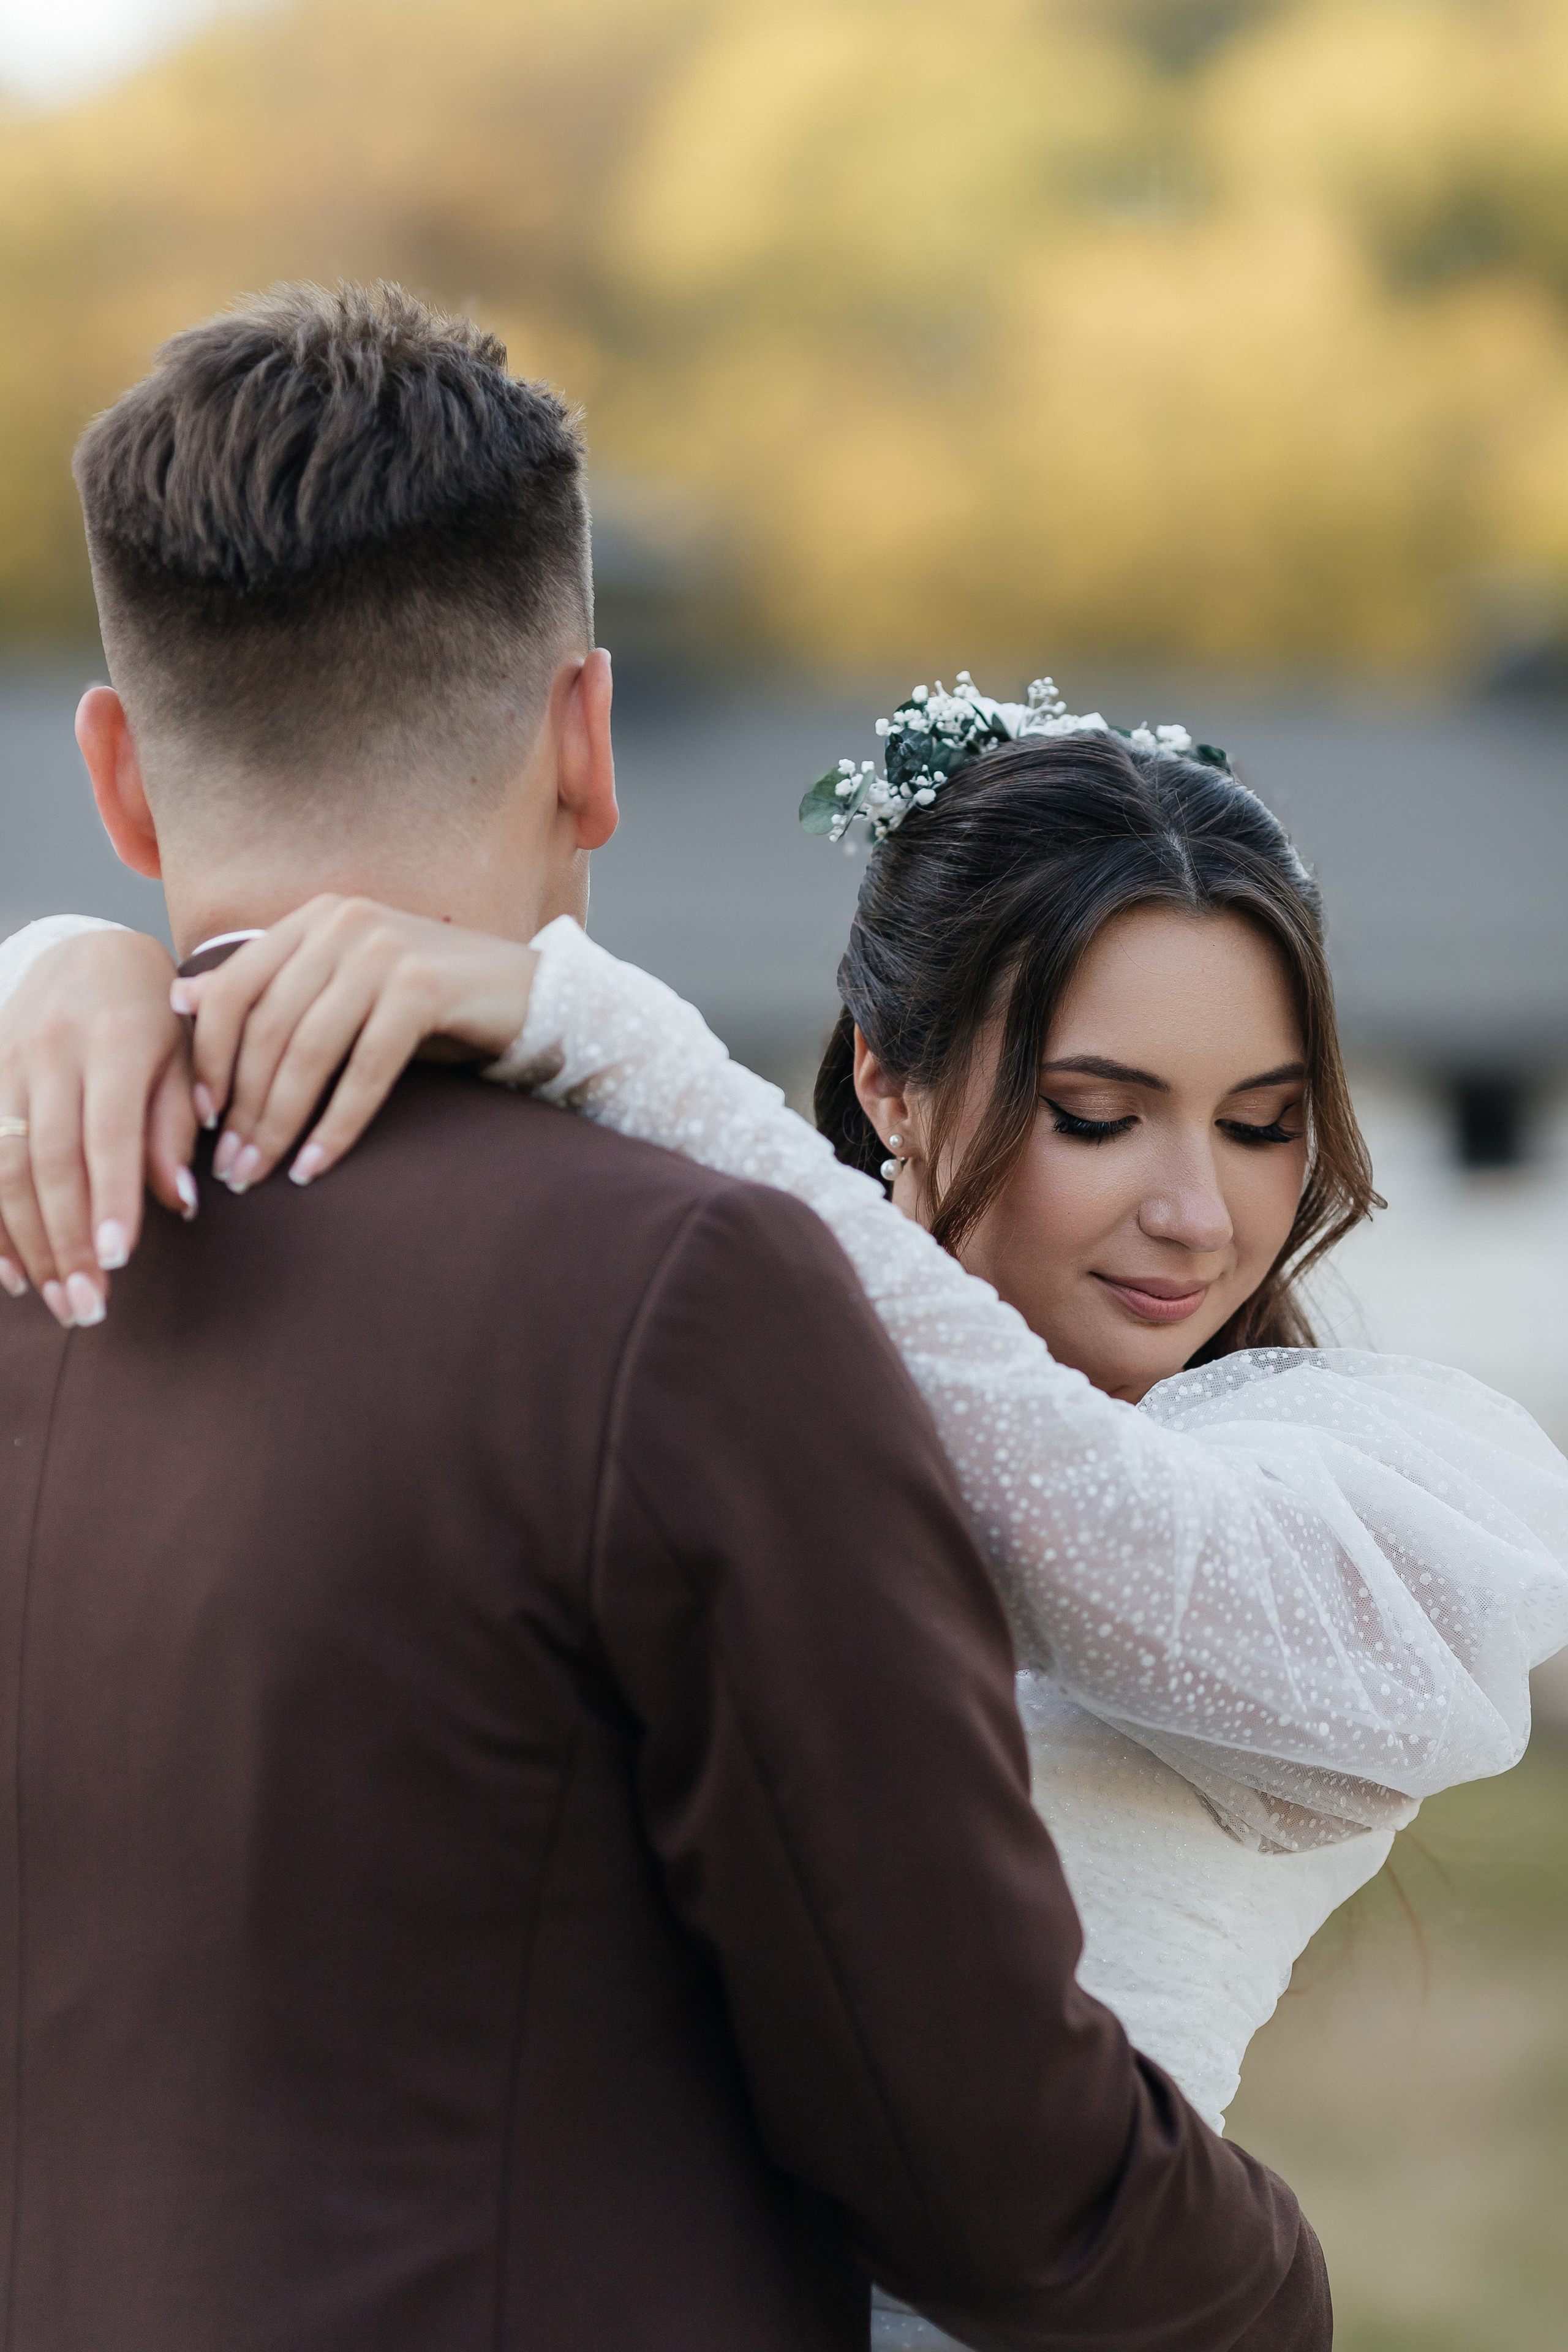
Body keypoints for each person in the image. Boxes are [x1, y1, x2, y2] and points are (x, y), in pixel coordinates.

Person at [0, 281, 1334, 2351]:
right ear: (587, 743)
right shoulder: (678, 1295)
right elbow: (973, 2136)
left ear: (116, 774)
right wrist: (1271, 2292)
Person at [9, 670, 1568, 2140]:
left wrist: (609, 1035)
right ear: (887, 1083)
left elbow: (1095, 1521)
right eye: (1095, 1117)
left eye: (1260, 1127)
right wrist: (69, 971)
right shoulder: (691, 1358)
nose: (1195, 1215)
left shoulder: (1381, 1488)